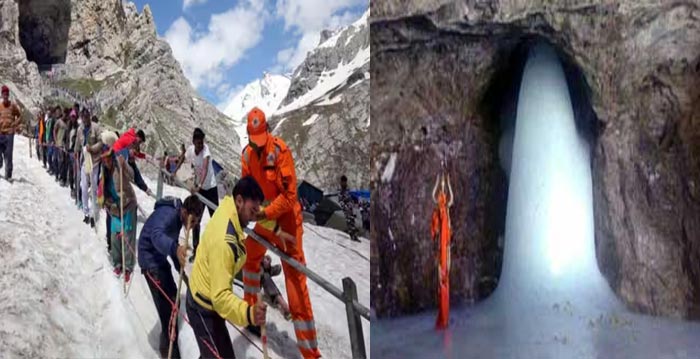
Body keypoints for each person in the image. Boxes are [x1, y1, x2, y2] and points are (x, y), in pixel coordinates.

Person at [241, 107, 321, 358]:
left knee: (296, 285)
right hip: (264, 220)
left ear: (267, 131)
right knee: (250, 258)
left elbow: (289, 196)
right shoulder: (246, 156)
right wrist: (249, 212)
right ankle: (252, 315)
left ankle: (310, 353)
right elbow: (247, 187)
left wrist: (265, 213)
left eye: (261, 140)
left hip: (286, 224)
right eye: (255, 142)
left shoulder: (280, 150)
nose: (259, 147)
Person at [186, 176, 267, 358]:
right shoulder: (224, 241)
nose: (254, 217)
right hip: (203, 306)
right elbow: (220, 297)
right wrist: (248, 313)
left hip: (206, 295)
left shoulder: (228, 209)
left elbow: (231, 253)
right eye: (252, 210)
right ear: (239, 201)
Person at [138, 195, 204, 359]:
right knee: (167, 310)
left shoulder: (178, 219)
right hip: (150, 261)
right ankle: (168, 351)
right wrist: (175, 248)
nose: (193, 226)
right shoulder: (168, 216)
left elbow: (172, 245)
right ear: (184, 211)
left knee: (174, 299)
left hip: (159, 259)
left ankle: (170, 340)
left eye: (196, 223)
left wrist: (181, 268)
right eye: (193, 221)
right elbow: (156, 235)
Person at [173, 128, 219, 262]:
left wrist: (199, 185)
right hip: (200, 189)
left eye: (201, 143)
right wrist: (174, 171)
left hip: (210, 188)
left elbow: (204, 168)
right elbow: (182, 158)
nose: (200, 145)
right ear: (193, 142)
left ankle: (216, 250)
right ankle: (197, 249)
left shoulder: (206, 151)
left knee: (215, 219)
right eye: (198, 143)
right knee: (195, 218)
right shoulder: (191, 150)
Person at [101, 146, 138, 282]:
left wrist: (125, 166)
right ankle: (117, 263)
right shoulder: (103, 171)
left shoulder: (120, 163)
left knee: (127, 236)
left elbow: (132, 176)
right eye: (104, 159)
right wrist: (106, 202)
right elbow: (102, 189)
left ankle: (128, 266)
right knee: (115, 236)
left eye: (108, 158)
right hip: (115, 207)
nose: (107, 161)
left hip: (128, 204)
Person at [431, 169, 453, 330]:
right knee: (442, 279)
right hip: (442, 245)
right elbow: (434, 195)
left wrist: (447, 183)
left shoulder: (446, 209)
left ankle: (445, 315)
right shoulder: (438, 211)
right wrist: (439, 181)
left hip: (445, 245)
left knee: (445, 278)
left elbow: (451, 198)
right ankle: (443, 314)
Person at [74, 109, 102, 227]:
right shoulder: (80, 129)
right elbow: (77, 143)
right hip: (84, 161)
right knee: (84, 187)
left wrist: (92, 148)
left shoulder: (96, 127)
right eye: (83, 117)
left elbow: (100, 143)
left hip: (94, 161)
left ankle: (92, 213)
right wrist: (76, 152)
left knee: (94, 187)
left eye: (87, 117)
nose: (85, 119)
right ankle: (85, 212)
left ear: (89, 117)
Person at [0, 85, 22, 180]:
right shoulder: (0, 106)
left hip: (9, 134)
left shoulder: (13, 106)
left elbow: (20, 116)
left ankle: (8, 175)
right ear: (2, 95)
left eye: (7, 94)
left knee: (8, 154)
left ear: (8, 95)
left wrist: (14, 124)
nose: (5, 96)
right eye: (4, 94)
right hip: (0, 133)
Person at [338, 175, 360, 242]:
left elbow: (352, 197)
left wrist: (354, 202)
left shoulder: (348, 190)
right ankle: (352, 236)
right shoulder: (341, 191)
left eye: (345, 182)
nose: (344, 183)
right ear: (341, 182)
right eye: (343, 182)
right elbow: (341, 201)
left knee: (352, 221)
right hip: (346, 209)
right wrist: (345, 208)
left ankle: (354, 236)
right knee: (350, 222)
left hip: (351, 208)